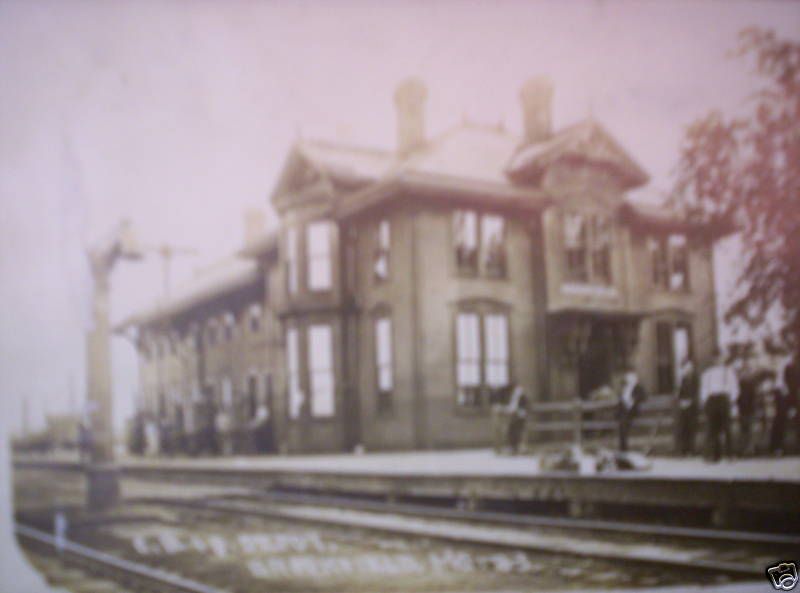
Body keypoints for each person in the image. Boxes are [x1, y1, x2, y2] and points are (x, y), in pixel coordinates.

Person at [700, 349, 739, 462]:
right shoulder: (708, 373)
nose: (718, 360)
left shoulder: (729, 372)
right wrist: (705, 402)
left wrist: (731, 400)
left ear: (723, 359)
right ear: (713, 359)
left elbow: (734, 388)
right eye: (715, 358)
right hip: (712, 400)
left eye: (720, 358)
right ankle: (713, 455)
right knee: (712, 429)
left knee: (727, 428)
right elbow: (704, 389)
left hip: (724, 399)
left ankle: (730, 454)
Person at [617, 366, 647, 453]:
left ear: (635, 378)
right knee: (622, 423)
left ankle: (624, 448)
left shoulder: (638, 387)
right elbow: (620, 399)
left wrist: (634, 400)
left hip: (633, 411)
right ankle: (623, 448)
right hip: (624, 411)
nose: (629, 379)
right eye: (628, 377)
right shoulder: (625, 388)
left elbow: (644, 397)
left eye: (631, 377)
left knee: (623, 423)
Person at [674, 359, 699, 456]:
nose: (688, 370)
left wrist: (690, 401)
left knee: (691, 428)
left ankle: (692, 450)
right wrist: (680, 402)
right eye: (685, 368)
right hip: (682, 406)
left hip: (692, 406)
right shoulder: (681, 380)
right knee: (682, 428)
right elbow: (678, 394)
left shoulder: (695, 379)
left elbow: (697, 392)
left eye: (689, 367)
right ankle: (682, 450)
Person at [736, 359, 759, 457]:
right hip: (743, 408)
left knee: (750, 429)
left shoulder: (752, 382)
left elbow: (755, 396)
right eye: (744, 370)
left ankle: (750, 449)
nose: (745, 372)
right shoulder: (739, 382)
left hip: (750, 407)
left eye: (747, 370)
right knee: (744, 429)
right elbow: (737, 396)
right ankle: (745, 449)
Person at [505, 385, 528, 455]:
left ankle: (518, 447)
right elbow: (511, 408)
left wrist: (521, 412)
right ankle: (512, 447)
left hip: (521, 418)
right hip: (515, 418)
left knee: (518, 429)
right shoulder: (513, 398)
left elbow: (526, 409)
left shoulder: (523, 398)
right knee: (510, 429)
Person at [489, 385, 511, 454]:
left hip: (498, 421)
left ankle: (498, 449)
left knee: (498, 434)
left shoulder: (498, 406)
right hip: (498, 422)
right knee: (498, 434)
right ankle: (498, 449)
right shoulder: (498, 407)